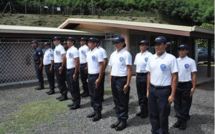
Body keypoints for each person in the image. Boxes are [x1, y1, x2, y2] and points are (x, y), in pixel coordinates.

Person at [146, 36, 178, 134]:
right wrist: (148, 90)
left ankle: (163, 132)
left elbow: (175, 77)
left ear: (165, 45)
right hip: (152, 89)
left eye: (159, 44)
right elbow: (149, 74)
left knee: (163, 114)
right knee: (152, 113)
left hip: (164, 91)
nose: (157, 46)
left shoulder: (171, 58)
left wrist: (172, 94)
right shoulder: (151, 58)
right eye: (155, 44)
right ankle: (155, 131)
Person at [109, 36, 132, 131]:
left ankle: (123, 121)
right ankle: (119, 118)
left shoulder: (126, 54)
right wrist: (111, 80)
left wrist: (127, 83)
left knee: (123, 101)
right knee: (116, 100)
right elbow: (111, 68)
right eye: (115, 43)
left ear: (123, 43)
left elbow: (129, 69)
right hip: (114, 78)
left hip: (122, 79)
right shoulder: (113, 54)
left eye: (118, 43)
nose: (116, 45)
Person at [173, 44, 197, 130]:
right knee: (177, 103)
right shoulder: (175, 61)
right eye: (180, 50)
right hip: (177, 84)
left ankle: (183, 122)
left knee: (185, 103)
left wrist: (193, 87)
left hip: (187, 85)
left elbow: (194, 74)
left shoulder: (191, 61)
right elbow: (172, 74)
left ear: (187, 51)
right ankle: (179, 119)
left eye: (183, 50)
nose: (181, 51)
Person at [86, 37, 104, 122]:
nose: (89, 44)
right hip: (90, 75)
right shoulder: (89, 52)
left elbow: (101, 65)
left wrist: (99, 78)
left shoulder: (98, 52)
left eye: (90, 42)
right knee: (91, 94)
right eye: (88, 42)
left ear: (95, 43)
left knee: (97, 95)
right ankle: (94, 110)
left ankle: (98, 113)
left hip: (96, 75)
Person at [134, 40, 152, 118]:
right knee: (140, 94)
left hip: (146, 75)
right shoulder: (137, 55)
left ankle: (146, 111)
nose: (142, 46)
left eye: (144, 45)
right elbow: (136, 66)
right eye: (141, 45)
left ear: (147, 46)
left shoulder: (150, 55)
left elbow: (151, 68)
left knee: (146, 94)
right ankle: (142, 110)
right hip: (138, 76)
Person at [65, 37, 81, 110]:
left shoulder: (74, 50)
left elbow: (77, 61)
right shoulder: (68, 50)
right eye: (67, 41)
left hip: (73, 70)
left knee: (75, 87)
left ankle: (77, 103)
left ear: (73, 42)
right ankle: (74, 101)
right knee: (70, 87)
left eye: (70, 41)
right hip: (68, 70)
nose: (68, 42)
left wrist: (75, 72)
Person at [53, 36, 68, 101]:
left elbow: (64, 57)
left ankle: (64, 95)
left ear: (59, 41)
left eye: (55, 40)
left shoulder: (61, 47)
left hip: (60, 64)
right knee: (59, 81)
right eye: (53, 40)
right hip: (56, 64)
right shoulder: (56, 47)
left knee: (61, 80)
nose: (54, 41)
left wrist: (62, 66)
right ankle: (62, 94)